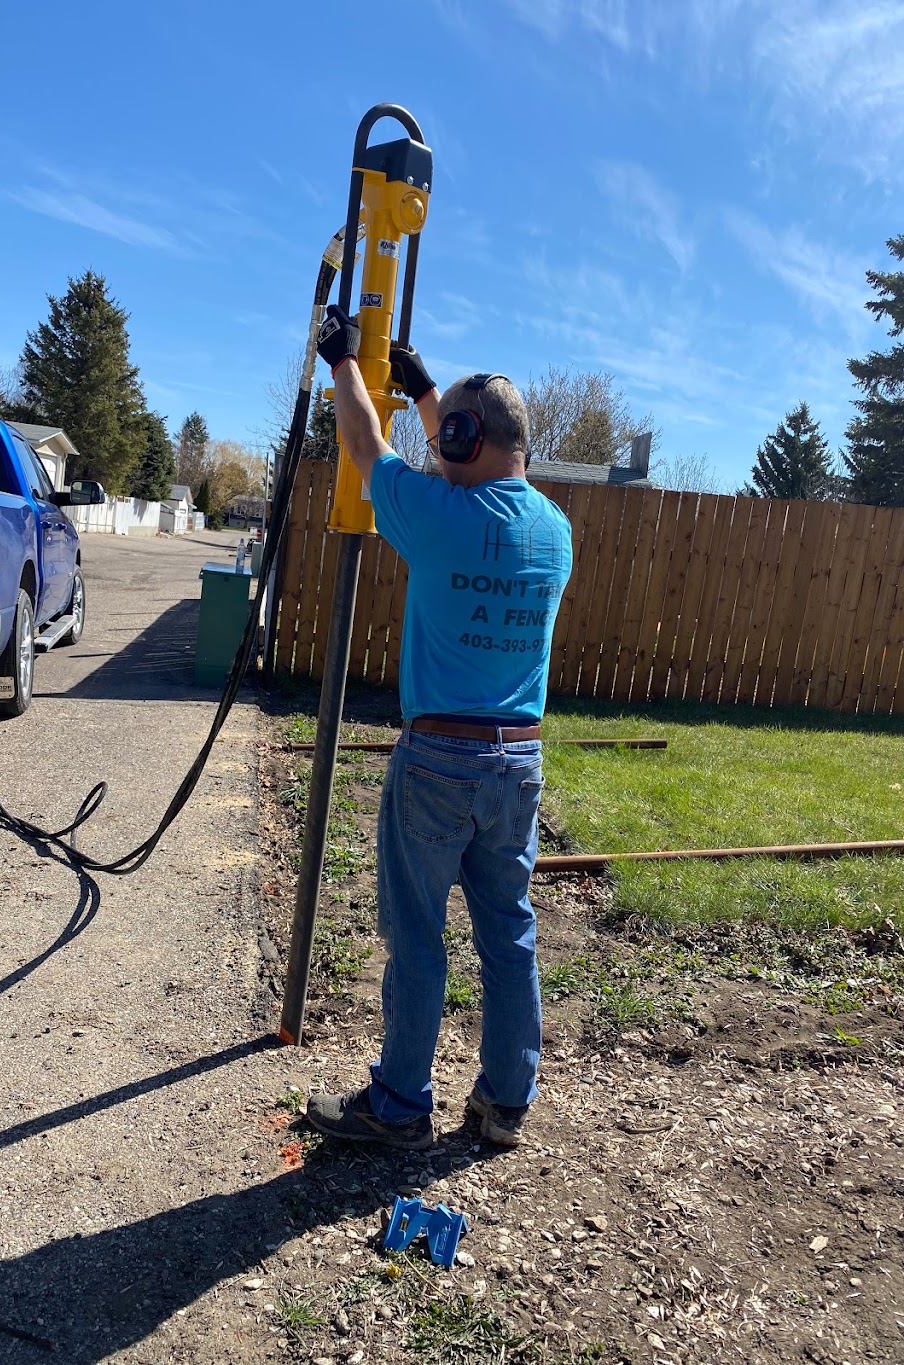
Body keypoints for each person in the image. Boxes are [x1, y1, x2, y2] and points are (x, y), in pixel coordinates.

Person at [306, 306, 573, 1151]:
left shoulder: (438, 518)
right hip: (518, 760)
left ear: (462, 438)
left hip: (438, 760)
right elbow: (464, 468)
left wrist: (345, 367)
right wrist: (427, 392)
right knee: (509, 930)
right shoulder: (556, 533)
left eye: (446, 428)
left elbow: (365, 450)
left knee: (417, 931)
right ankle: (504, 1103)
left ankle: (400, 1104)